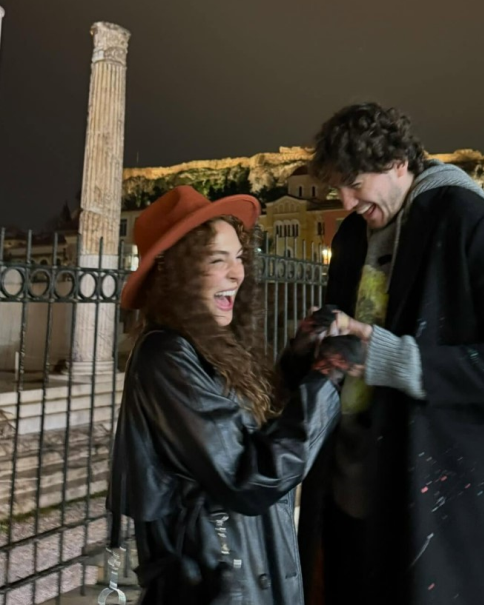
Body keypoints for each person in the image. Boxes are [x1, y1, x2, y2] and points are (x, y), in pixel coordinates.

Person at [295, 103, 484, 605]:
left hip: (431, 516)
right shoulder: (354, 234)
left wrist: (395, 358)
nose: (346, 200)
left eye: (355, 182)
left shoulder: (467, 221)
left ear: (399, 162)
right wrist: (321, 336)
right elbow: (356, 335)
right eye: (337, 186)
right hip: (347, 502)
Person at [107, 185, 347, 605]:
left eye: (238, 257)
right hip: (218, 589)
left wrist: (299, 358)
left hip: (252, 575)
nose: (237, 273)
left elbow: (254, 430)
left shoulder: (208, 345)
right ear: (175, 274)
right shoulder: (166, 357)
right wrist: (327, 379)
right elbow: (249, 477)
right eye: (218, 260)